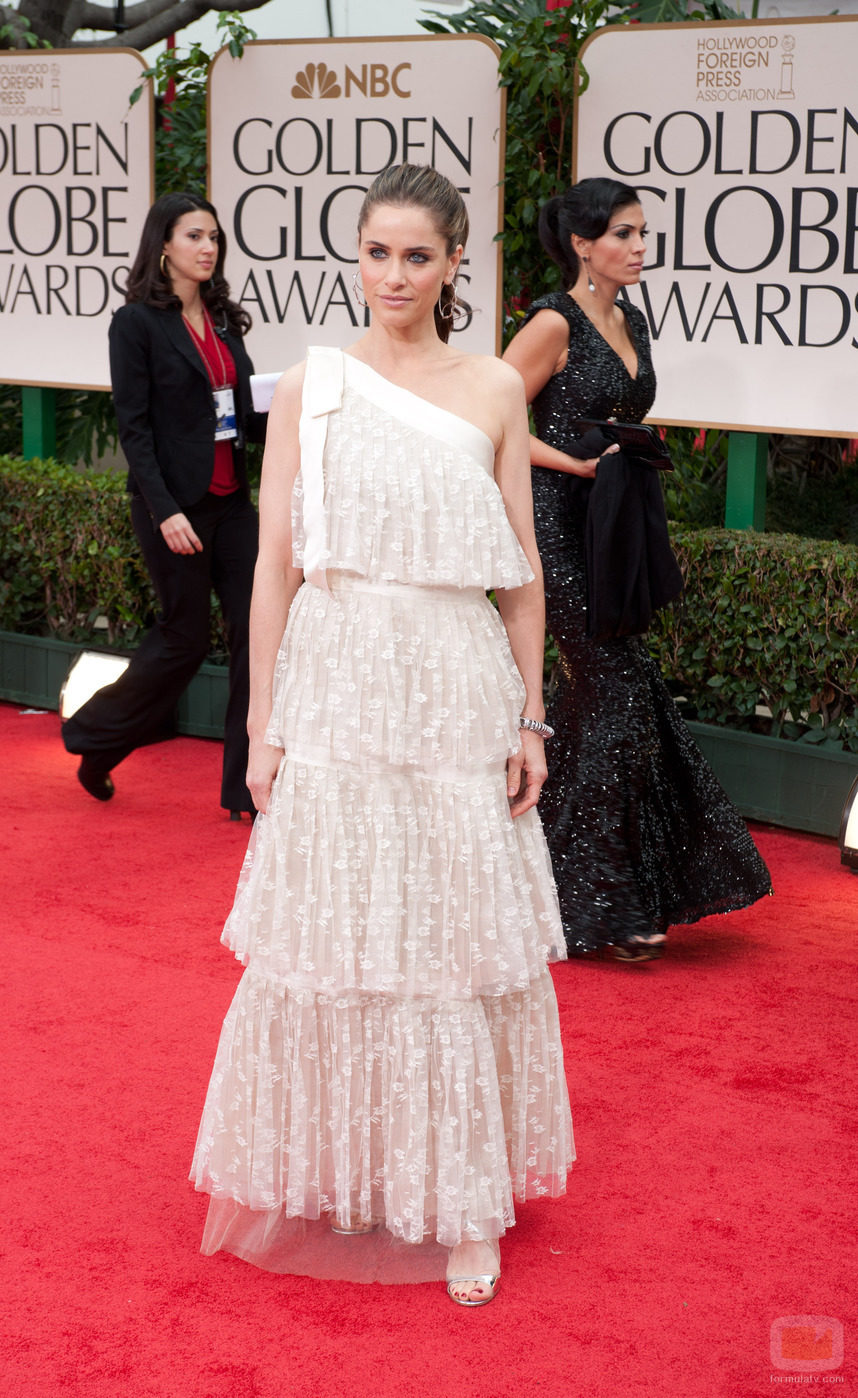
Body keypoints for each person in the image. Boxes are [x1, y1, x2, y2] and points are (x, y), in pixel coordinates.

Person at [190, 164, 574, 1305]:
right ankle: (358, 1164)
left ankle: (462, 1205)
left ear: (457, 263)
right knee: (341, 939)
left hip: (453, 682)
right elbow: (272, 566)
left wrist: (530, 715)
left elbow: (522, 583)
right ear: (353, 257)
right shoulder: (313, 385)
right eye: (376, 252)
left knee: (450, 945)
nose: (393, 275)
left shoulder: (496, 389)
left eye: (418, 255)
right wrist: (262, 726)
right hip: (339, 679)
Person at [502, 177, 772, 961]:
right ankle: (612, 905)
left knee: (601, 704)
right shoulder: (552, 321)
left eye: (643, 233)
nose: (639, 247)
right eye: (624, 233)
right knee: (616, 696)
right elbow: (491, 422)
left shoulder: (632, 320)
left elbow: (618, 418)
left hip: (615, 527)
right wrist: (578, 468)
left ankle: (543, 883)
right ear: (583, 244)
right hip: (558, 525)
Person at [62, 191, 262, 817]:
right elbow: (135, 428)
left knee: (259, 634)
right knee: (184, 640)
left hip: (233, 504)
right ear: (164, 245)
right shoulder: (136, 324)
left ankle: (245, 788)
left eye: (214, 238)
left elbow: (245, 409)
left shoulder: (225, 319)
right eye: (195, 237)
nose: (208, 248)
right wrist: (165, 510)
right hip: (174, 505)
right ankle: (97, 740)